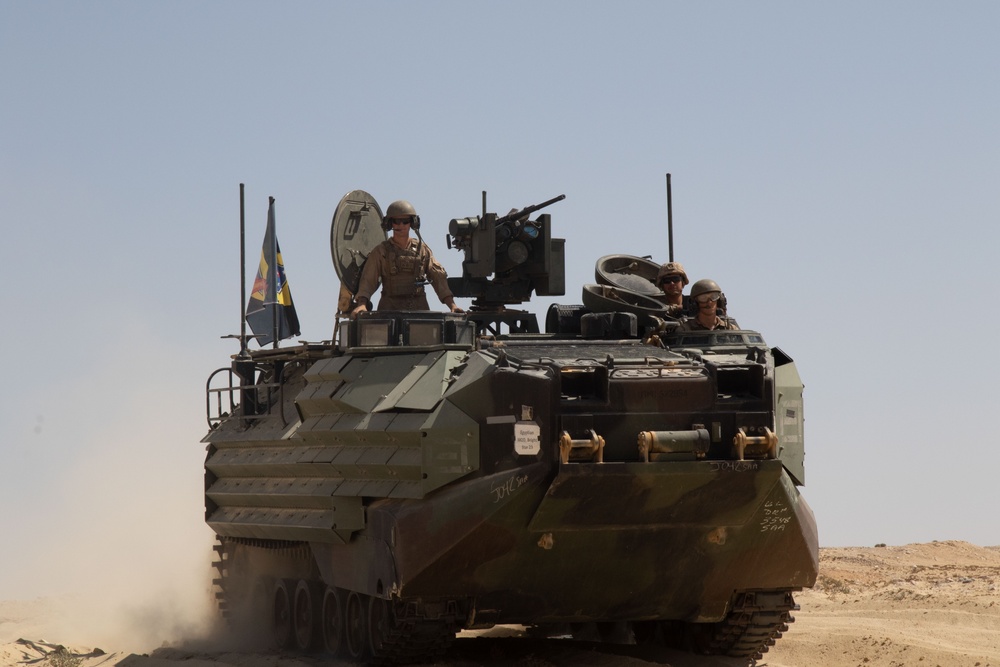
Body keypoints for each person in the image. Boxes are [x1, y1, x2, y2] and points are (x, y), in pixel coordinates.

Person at [351, 200, 463, 316]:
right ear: (389, 223)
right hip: (388, 311)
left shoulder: (422, 250)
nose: (401, 225)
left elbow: (438, 277)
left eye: (405, 221)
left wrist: (452, 305)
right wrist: (362, 304)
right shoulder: (381, 251)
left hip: (419, 311)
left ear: (413, 223)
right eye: (396, 221)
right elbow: (368, 280)